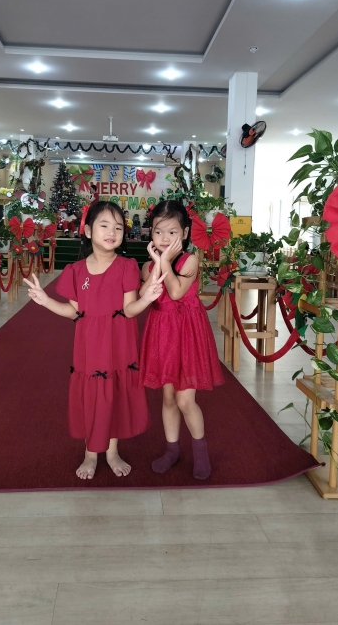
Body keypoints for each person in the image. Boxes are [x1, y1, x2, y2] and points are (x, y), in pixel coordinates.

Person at [24, 201, 164, 480]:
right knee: (92, 395)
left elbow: (129, 310)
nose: (112, 232)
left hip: (119, 344)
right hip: (89, 347)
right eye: (104, 225)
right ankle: (90, 453)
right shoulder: (76, 271)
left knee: (114, 394)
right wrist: (45, 301)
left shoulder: (127, 266)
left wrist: (146, 299)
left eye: (118, 227)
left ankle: (112, 451)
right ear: (88, 231)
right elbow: (73, 311)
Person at [139, 200, 224, 480]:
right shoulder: (148, 266)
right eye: (158, 231)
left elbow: (175, 292)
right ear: (150, 233)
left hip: (187, 332)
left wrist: (164, 262)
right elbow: (143, 295)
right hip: (162, 332)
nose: (164, 238)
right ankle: (172, 450)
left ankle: (201, 452)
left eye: (172, 232)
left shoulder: (190, 261)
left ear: (185, 233)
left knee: (185, 400)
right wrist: (156, 266)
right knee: (168, 398)